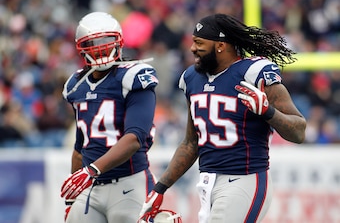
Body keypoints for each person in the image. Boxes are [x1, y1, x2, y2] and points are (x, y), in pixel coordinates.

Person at [139, 13, 306, 223]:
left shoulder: (253, 73)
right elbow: (192, 143)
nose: (192, 48)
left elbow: (299, 131)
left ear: (220, 46)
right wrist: (160, 188)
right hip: (207, 183)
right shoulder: (191, 78)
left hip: (245, 180)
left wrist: (267, 111)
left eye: (199, 43)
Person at [60, 11, 159, 223]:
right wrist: (71, 199)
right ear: (81, 47)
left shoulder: (133, 77)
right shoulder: (76, 85)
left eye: (106, 40)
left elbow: (134, 138)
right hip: (91, 188)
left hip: (129, 183)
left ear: (119, 41)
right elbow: (81, 146)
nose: (100, 47)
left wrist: (91, 171)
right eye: (93, 42)